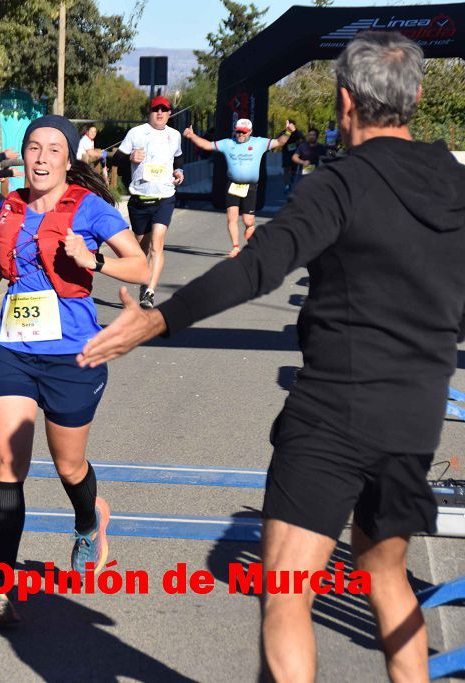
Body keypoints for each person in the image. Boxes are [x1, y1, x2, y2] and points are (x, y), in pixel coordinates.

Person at [77, 32, 465, 681]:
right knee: (387, 573)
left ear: (345, 103)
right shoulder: (455, 183)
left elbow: (257, 267)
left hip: (334, 414)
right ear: (417, 97)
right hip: (414, 414)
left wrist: (158, 317)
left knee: (287, 592)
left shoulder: (339, 184)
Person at [0, 115, 151, 625]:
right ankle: (0, 585)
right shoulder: (8, 205)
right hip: (12, 348)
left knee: (69, 466)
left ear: (69, 160)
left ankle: (90, 521)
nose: (42, 157)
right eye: (33, 148)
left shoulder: (91, 208)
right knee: (8, 463)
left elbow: (140, 267)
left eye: (53, 149)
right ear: (22, 155)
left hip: (73, 354)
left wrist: (93, 260)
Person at [183, 117, 297, 257]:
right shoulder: (228, 143)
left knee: (248, 221)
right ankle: (236, 247)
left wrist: (287, 132)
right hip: (233, 185)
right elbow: (207, 145)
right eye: (238, 132)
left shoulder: (259, 143)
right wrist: (192, 135)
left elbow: (279, 142)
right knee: (232, 217)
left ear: (250, 132)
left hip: (250, 186)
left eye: (244, 132)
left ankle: (250, 232)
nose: (241, 135)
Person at [120, 95, 184, 310]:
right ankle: (143, 280)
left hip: (164, 198)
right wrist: (130, 157)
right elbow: (116, 159)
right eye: (156, 109)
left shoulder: (174, 135)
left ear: (169, 113)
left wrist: (179, 171)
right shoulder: (136, 133)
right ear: (149, 112)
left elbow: (179, 157)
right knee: (142, 249)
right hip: (139, 198)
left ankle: (149, 291)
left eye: (164, 110)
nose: (160, 113)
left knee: (157, 245)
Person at [290, 127, 328, 192]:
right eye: (310, 135)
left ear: (317, 136)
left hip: (316, 172)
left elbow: (326, 158)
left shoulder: (321, 147)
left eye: (313, 135)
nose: (311, 137)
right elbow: (294, 157)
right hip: (303, 172)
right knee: (298, 191)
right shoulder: (303, 146)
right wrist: (303, 162)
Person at [281, 123, 305, 192]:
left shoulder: (297, 132)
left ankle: (292, 177)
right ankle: (286, 186)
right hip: (286, 154)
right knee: (286, 169)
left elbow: (303, 140)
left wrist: (299, 143)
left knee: (293, 170)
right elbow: (279, 140)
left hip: (295, 154)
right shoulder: (284, 132)